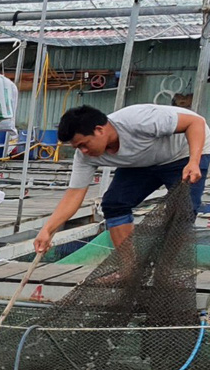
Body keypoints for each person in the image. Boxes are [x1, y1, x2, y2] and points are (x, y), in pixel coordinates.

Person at [33, 102, 206, 256]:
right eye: (77, 147)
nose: (83, 151)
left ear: (99, 130)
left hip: (183, 153)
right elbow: (74, 194)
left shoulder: (138, 120)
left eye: (84, 144)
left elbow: (195, 123)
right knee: (114, 204)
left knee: (183, 209)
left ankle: (167, 272)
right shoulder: (85, 156)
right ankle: (127, 272)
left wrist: (194, 161)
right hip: (142, 162)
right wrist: (47, 230)